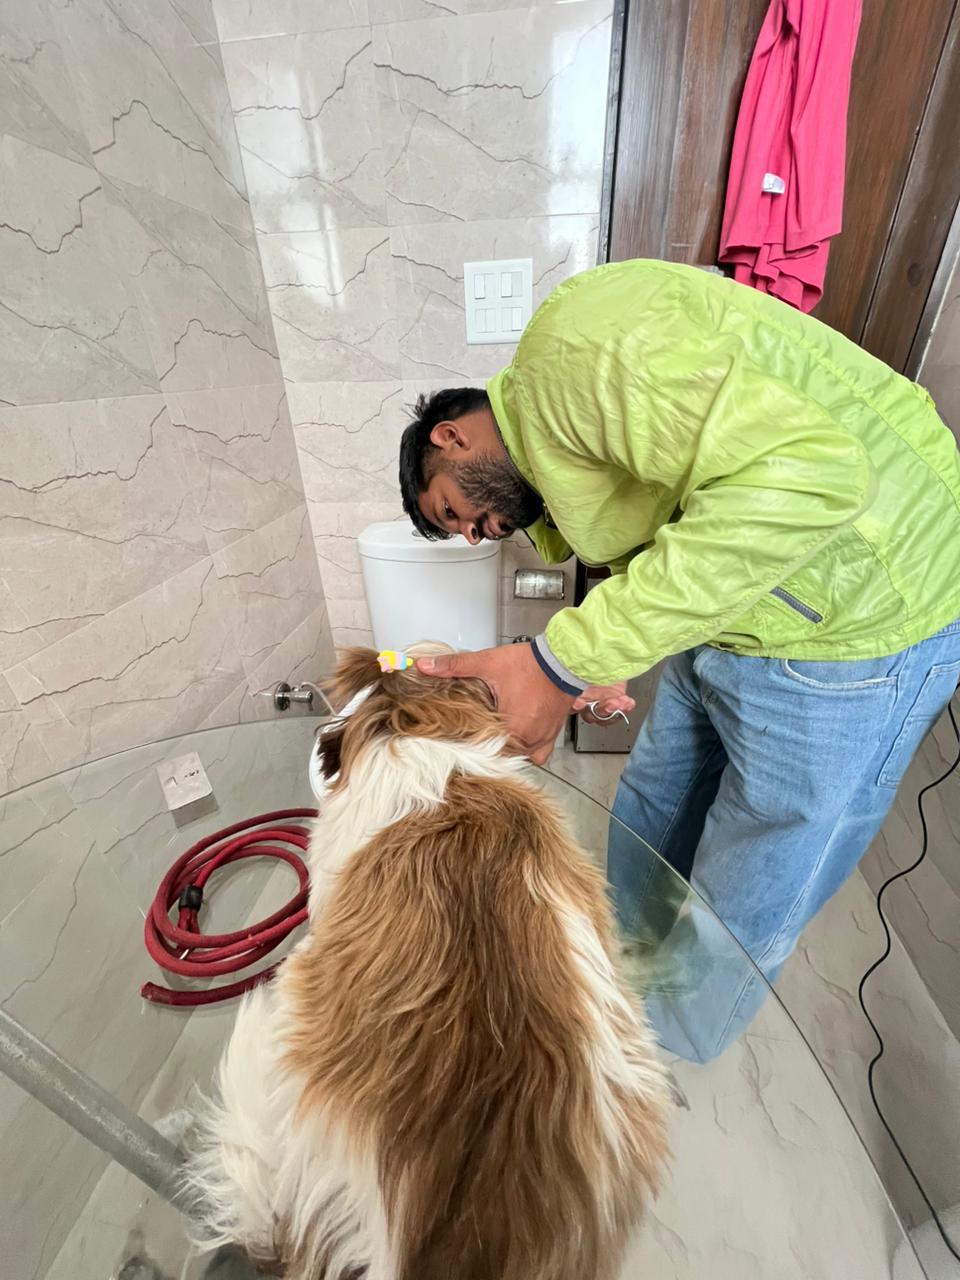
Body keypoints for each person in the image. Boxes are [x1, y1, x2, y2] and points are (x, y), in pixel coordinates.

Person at [396, 259, 960, 1062]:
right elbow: (668, 498)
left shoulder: (577, 350)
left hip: (863, 612)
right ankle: (614, 983)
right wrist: (607, 657)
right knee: (653, 807)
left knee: (746, 887)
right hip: (741, 616)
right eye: (467, 535)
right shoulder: (564, 450)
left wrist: (559, 661)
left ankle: (650, 1066)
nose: (480, 534)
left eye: (456, 511)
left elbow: (808, 476)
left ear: (450, 437)